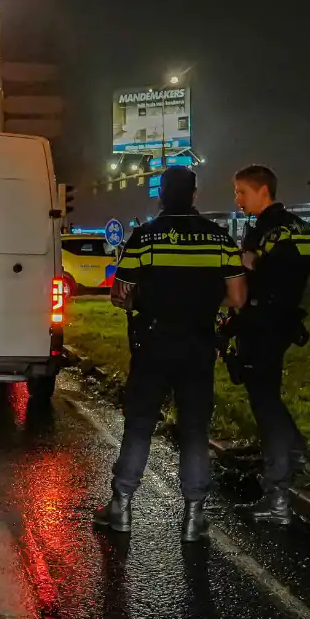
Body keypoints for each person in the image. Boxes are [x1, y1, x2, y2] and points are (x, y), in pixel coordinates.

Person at [94, 166, 247, 542]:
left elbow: (119, 294)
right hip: (198, 346)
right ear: (195, 196)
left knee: (140, 424)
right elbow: (238, 298)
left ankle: (122, 507)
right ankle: (194, 517)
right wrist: (204, 302)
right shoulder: (219, 239)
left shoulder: (144, 239)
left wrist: (142, 298)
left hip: (153, 344)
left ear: (160, 196)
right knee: (195, 431)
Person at [231, 164, 310, 524]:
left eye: (241, 192)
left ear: (263, 191)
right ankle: (296, 455)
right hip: (280, 325)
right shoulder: (296, 227)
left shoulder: (267, 229)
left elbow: (248, 277)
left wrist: (262, 262)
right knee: (268, 398)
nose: (237, 199)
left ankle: (277, 496)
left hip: (262, 325)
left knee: (265, 406)